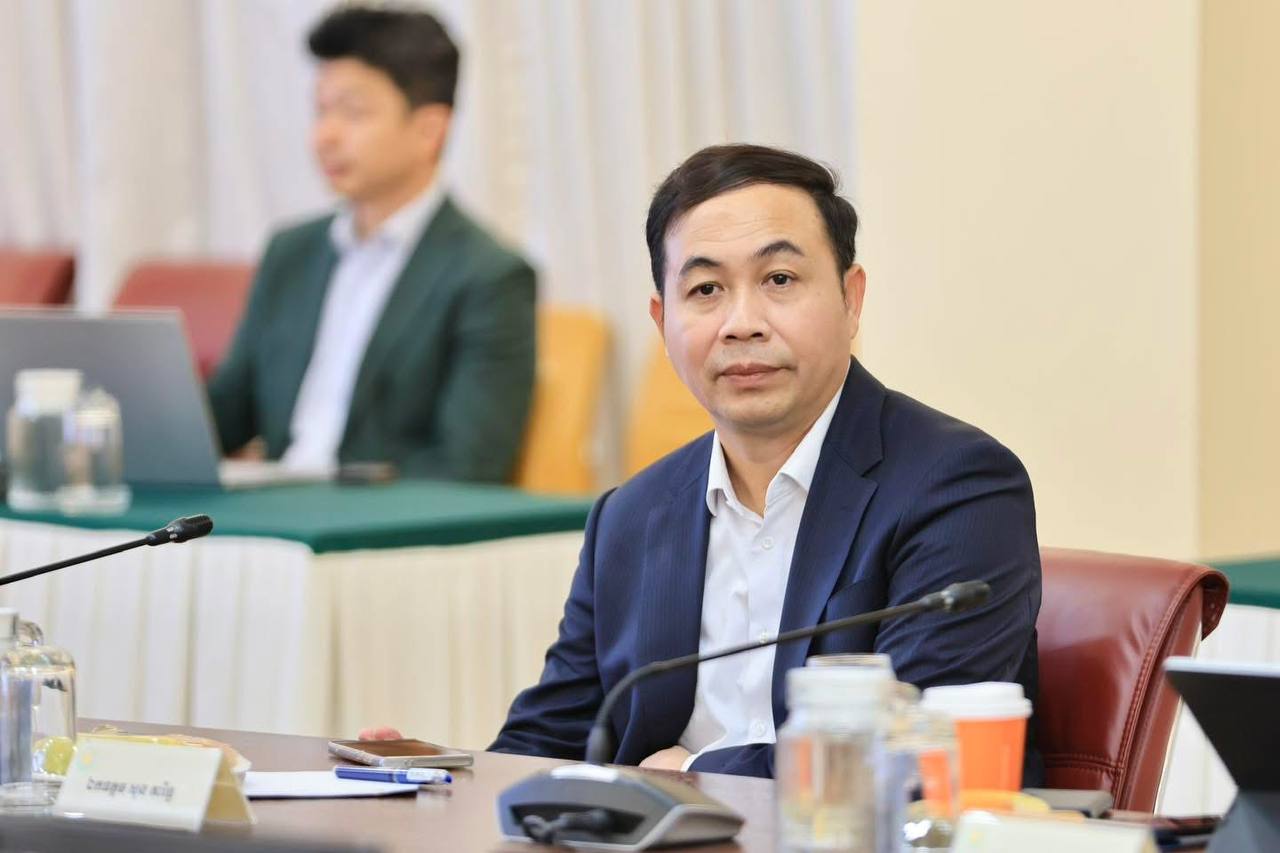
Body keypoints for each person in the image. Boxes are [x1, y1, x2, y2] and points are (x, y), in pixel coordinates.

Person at [367, 144, 1043, 782]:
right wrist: (437, 779)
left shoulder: (957, 486)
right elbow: (551, 739)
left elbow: (913, 750)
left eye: (779, 279)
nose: (741, 322)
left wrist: (693, 777)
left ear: (851, 298)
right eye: (706, 290)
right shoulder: (631, 516)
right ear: (662, 322)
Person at [208, 4, 535, 481]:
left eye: (353, 112)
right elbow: (226, 413)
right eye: (321, 111)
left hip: (380, 522)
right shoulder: (289, 252)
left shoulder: (489, 276)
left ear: (429, 130)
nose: (325, 136)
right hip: (272, 510)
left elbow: (470, 465)